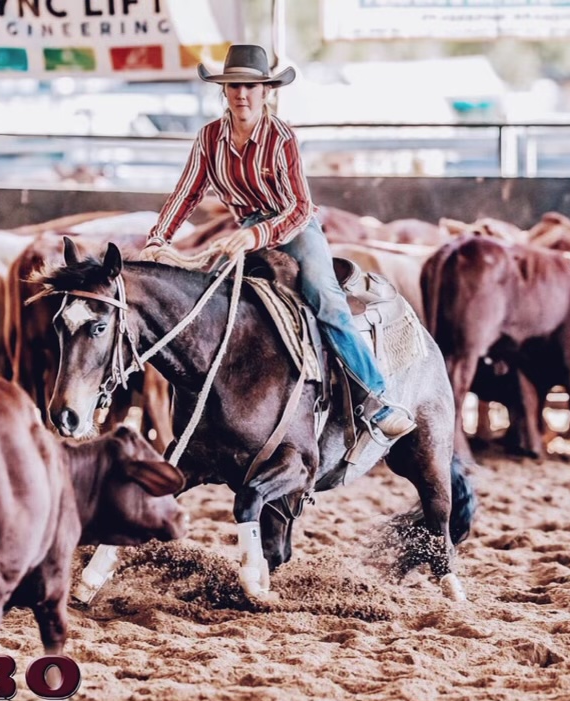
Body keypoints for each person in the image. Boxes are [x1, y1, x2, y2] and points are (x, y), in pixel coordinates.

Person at [138, 44, 415, 442]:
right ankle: (218, 403)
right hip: (246, 229)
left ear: (266, 91)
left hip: (294, 227)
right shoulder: (209, 138)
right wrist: (158, 239)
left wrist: (256, 234)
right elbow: (186, 194)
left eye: (250, 86)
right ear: (224, 90)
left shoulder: (281, 137)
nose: (242, 94)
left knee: (325, 299)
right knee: (210, 299)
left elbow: (300, 206)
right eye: (234, 86)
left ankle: (376, 398)